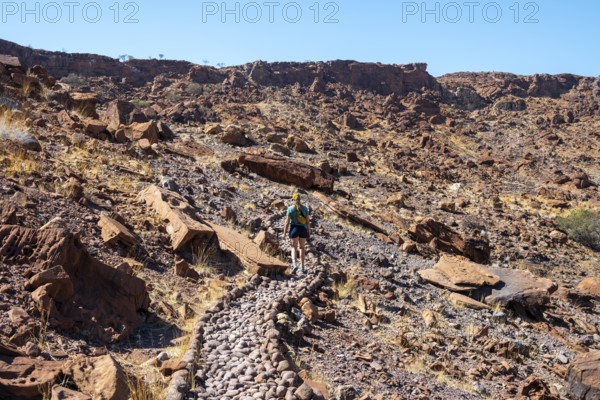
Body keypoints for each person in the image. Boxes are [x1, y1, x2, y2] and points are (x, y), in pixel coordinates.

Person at [282, 193, 311, 274]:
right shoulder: (305, 209)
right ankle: (302, 266)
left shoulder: (290, 209)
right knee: (302, 248)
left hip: (294, 229)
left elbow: (287, 222)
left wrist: (284, 233)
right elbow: (308, 222)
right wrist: (309, 231)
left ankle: (295, 265)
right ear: (300, 199)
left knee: (294, 247)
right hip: (303, 229)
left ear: (293, 200)